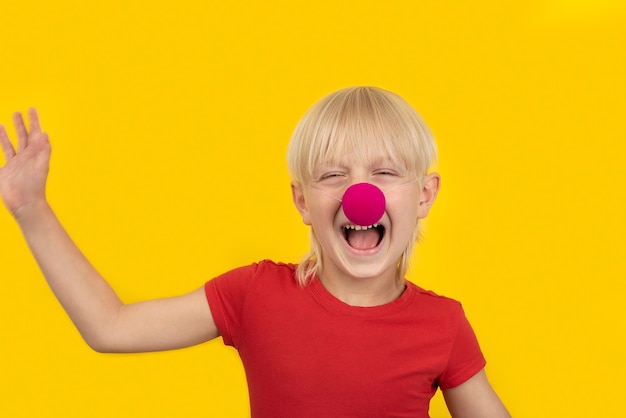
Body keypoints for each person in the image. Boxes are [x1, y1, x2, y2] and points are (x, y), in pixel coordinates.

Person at [0, 87, 510, 417]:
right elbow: (110, 326)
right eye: (333, 175)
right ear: (302, 201)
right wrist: (31, 209)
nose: (361, 194)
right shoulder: (255, 294)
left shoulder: (442, 324)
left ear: (424, 195)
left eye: (385, 173)